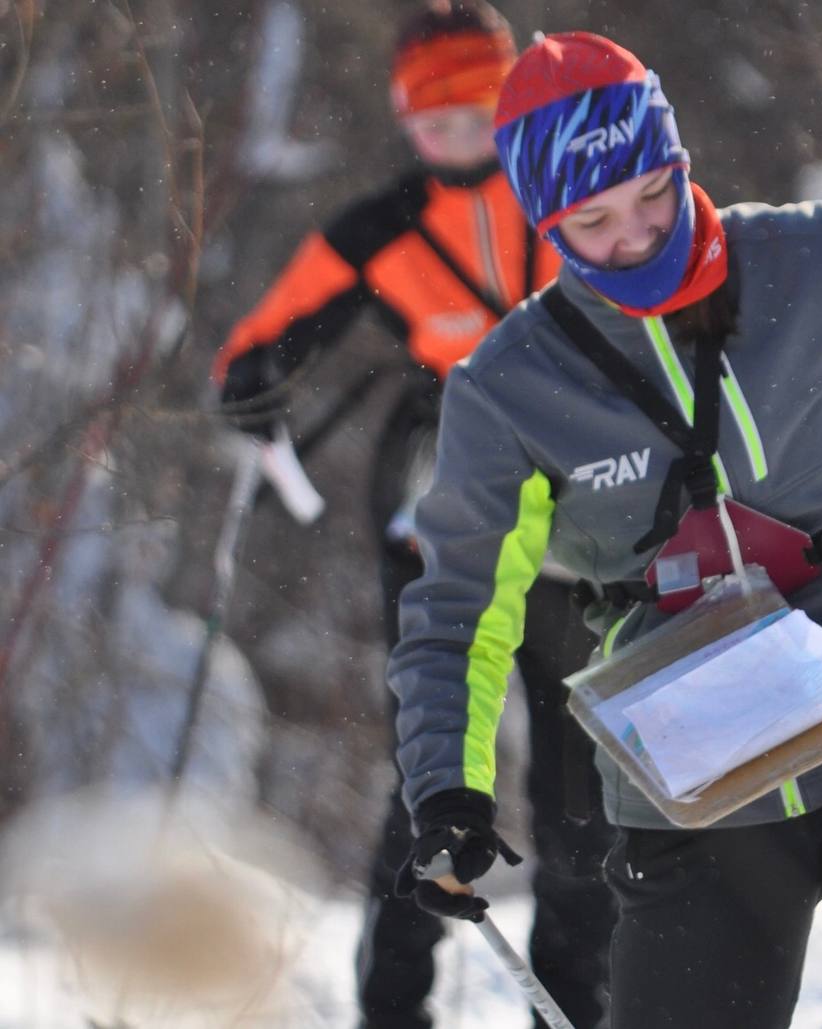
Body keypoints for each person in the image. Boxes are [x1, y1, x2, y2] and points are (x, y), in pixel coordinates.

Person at [388, 30, 822, 1029]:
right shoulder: (510, 390)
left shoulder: (820, 264)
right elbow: (457, 606)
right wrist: (447, 794)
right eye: (593, 220)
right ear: (546, 224)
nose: (636, 235)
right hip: (694, 781)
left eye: (650, 193)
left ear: (678, 162)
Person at [211, 8, 615, 1029]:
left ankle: (575, 1007)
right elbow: (255, 347)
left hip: (576, 492)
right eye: (430, 124)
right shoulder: (378, 226)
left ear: (511, 99)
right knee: (433, 772)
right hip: (437, 482)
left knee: (582, 785)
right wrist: (256, 382)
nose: (454, 139)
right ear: (404, 125)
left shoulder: (571, 195)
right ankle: (393, 1009)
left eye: (474, 112)